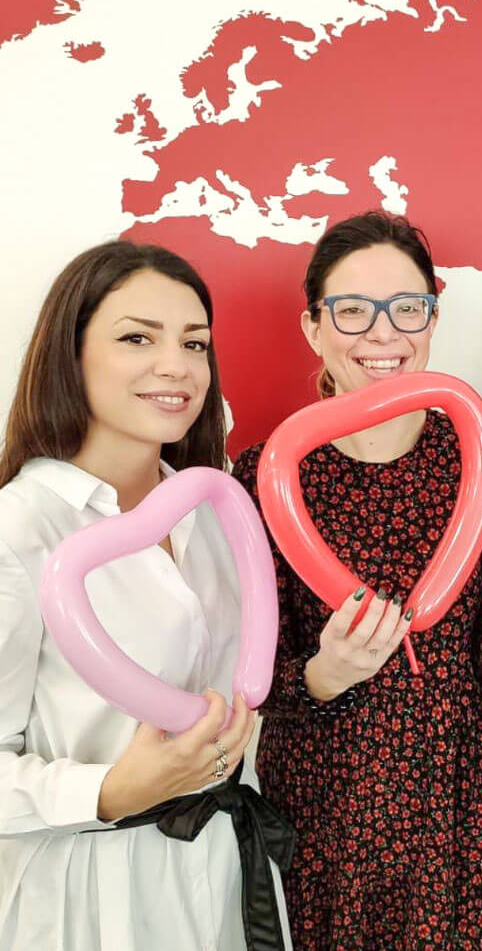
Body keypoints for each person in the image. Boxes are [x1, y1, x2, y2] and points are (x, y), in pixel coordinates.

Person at [233, 211, 482, 950]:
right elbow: (247, 678)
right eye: (352, 310)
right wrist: (323, 675)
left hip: (453, 810)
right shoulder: (260, 474)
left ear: (431, 320)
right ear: (313, 328)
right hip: (322, 813)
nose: (383, 334)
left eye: (408, 308)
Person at [0, 241, 292, 951]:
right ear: (70, 356)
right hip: (92, 899)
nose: (178, 367)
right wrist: (109, 791)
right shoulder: (21, 528)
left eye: (195, 343)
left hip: (224, 872)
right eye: (137, 337)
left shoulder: (217, 514)